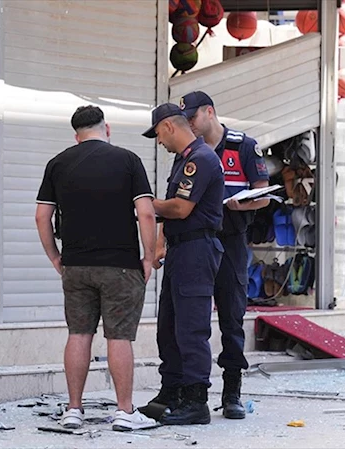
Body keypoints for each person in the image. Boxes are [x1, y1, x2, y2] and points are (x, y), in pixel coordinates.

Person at [34, 105, 159, 432]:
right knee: (119, 337)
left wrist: (55, 257)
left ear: (76, 136)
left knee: (78, 334)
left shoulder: (57, 163)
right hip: (120, 266)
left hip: (75, 265)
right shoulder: (128, 160)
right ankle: (125, 412)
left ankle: (73, 410)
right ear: (108, 128)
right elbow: (146, 213)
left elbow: (42, 216)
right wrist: (149, 257)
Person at [179, 91, 271, 419]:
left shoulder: (242, 146)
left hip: (232, 240)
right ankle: (192, 392)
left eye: (193, 117)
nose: (189, 124)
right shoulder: (190, 151)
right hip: (198, 243)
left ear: (210, 112)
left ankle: (232, 390)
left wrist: (241, 204)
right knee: (193, 318)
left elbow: (264, 194)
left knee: (232, 317)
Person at [139, 103, 224, 426]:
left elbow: (180, 208)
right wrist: (160, 244)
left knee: (191, 328)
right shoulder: (184, 160)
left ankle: (196, 401)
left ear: (169, 126)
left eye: (158, 135)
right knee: (169, 326)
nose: (159, 142)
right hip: (180, 249)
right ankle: (171, 392)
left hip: (197, 250)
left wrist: (144, 204)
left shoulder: (200, 159)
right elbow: (171, 211)